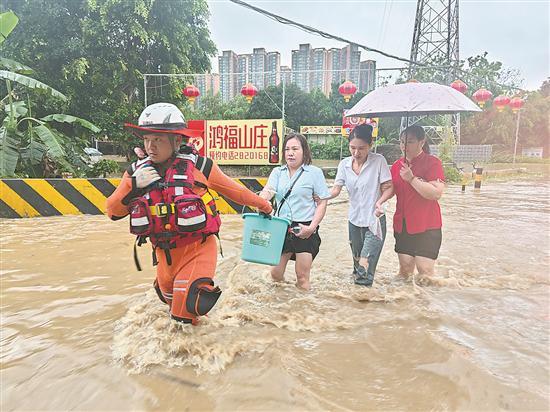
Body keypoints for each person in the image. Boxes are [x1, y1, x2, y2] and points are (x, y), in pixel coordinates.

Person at [106, 103, 272, 325]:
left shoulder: (200, 167)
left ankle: (204, 354)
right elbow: (112, 211)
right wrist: (134, 186)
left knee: (184, 313)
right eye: (146, 139)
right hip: (164, 258)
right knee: (177, 315)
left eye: (158, 140)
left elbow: (236, 192)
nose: (150, 146)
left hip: (198, 249)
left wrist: (264, 206)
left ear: (176, 140)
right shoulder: (136, 172)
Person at [260, 132, 330, 290]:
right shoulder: (278, 172)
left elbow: (322, 202)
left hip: (304, 227)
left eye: (295, 149)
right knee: (275, 274)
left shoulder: (314, 173)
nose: (290, 153)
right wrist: (261, 199)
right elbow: (269, 190)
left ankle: (304, 310)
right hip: (280, 226)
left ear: (304, 151)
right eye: (287, 149)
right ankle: (282, 303)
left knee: (302, 276)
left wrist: (312, 228)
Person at [327, 124, 393, 287]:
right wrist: (320, 197)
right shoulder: (344, 164)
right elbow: (336, 189)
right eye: (353, 148)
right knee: (357, 267)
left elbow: (389, 187)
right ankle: (357, 307)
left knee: (365, 268)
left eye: (362, 148)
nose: (356, 153)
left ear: (370, 146)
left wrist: (379, 202)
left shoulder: (379, 161)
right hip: (354, 222)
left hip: (374, 222)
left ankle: (363, 303)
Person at [386, 125, 445, 277]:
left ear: (422, 142)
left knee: (425, 270)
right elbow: (391, 190)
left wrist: (411, 178)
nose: (404, 146)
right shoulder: (396, 166)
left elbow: (436, 193)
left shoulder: (433, 163)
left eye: (410, 142)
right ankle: (406, 300)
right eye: (401, 142)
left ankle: (425, 300)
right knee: (405, 270)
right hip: (403, 225)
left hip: (428, 225)